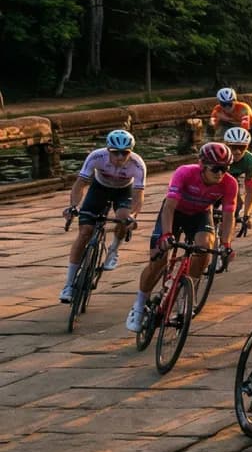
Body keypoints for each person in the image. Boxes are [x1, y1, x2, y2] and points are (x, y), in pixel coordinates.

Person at [128, 143, 237, 332]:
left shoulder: (229, 183)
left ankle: (186, 295)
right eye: (216, 168)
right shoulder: (185, 173)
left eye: (225, 169)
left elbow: (229, 217)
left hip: (200, 214)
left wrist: (226, 243)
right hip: (175, 212)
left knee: (205, 247)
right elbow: (169, 207)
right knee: (158, 261)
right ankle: (138, 306)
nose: (221, 174)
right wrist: (167, 235)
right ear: (202, 165)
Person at [61, 130, 145, 302]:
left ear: (131, 151)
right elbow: (80, 184)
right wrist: (73, 207)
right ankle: (68, 285)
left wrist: (133, 215)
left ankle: (114, 249)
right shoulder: (96, 157)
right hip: (100, 188)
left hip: (124, 191)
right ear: (108, 150)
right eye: (116, 153)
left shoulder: (137, 164)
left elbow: (138, 195)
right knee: (85, 232)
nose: (120, 157)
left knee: (123, 217)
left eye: (125, 153)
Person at [223, 127, 252, 234]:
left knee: (237, 204)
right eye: (234, 147)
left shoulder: (251, 161)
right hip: (214, 183)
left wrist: (247, 214)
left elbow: (250, 191)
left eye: (242, 147)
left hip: (231, 184)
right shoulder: (219, 155)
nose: (238, 151)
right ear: (226, 146)